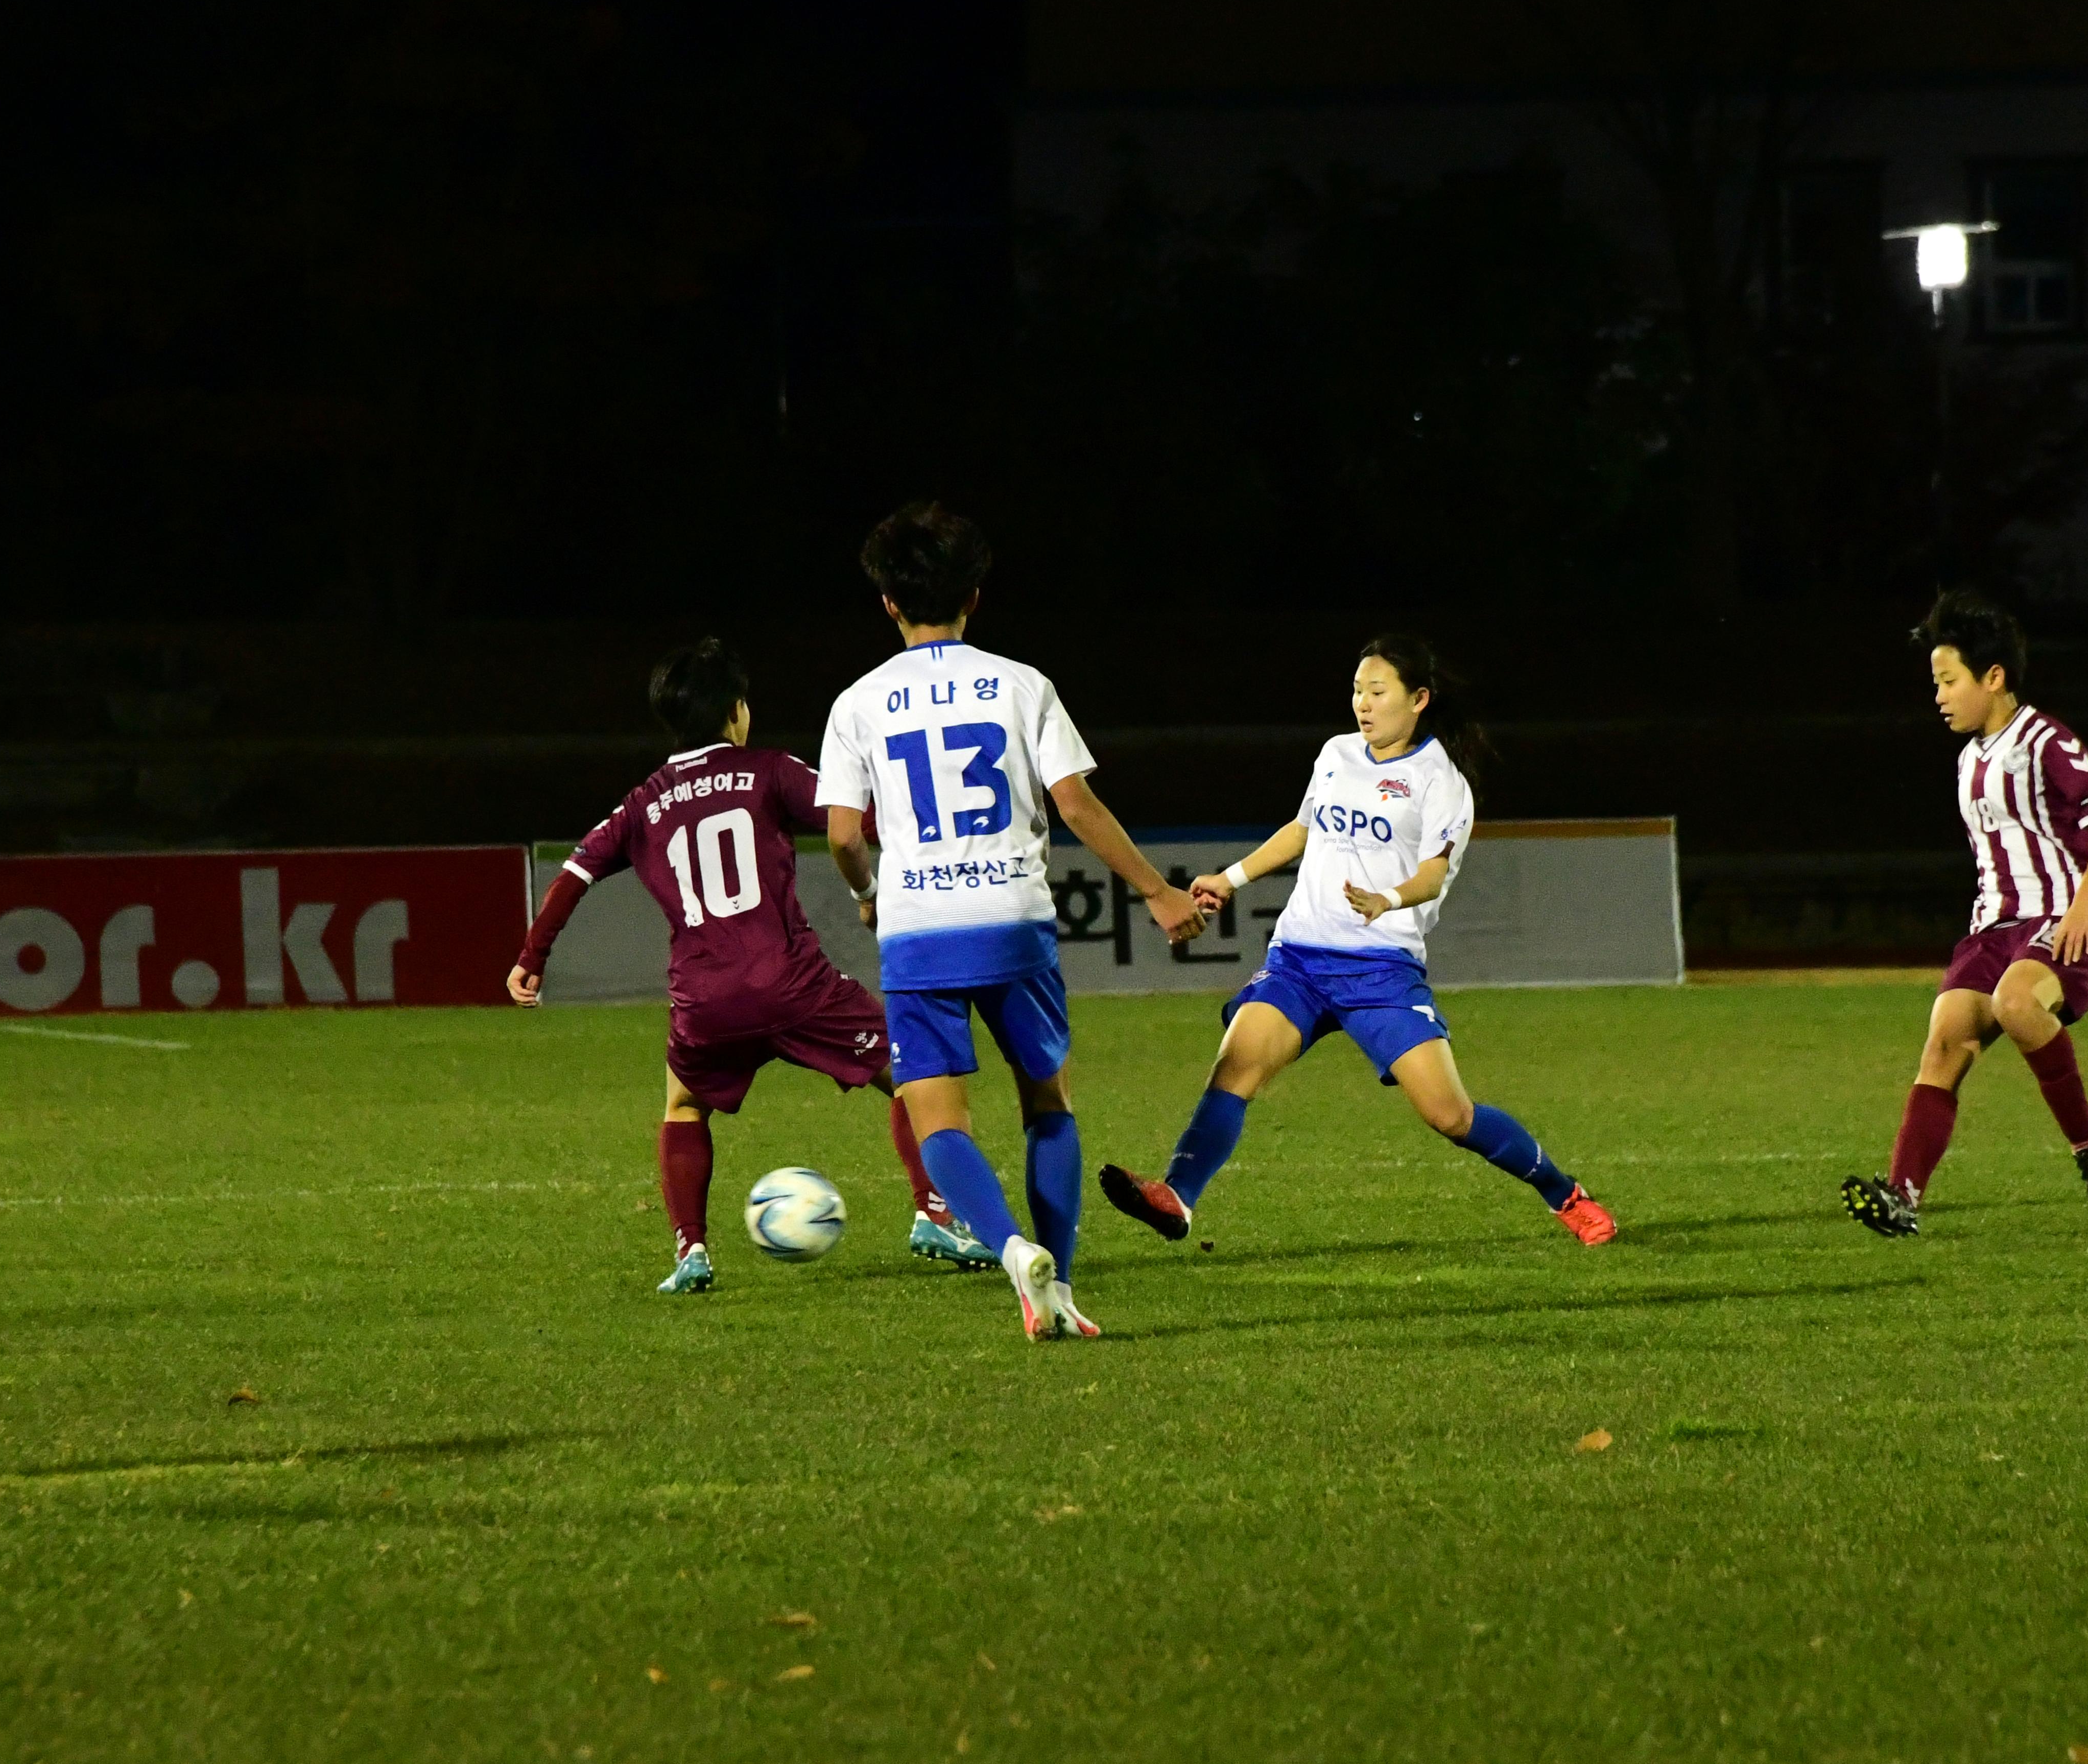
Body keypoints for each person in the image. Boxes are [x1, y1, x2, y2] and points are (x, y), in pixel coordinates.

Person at [818, 502, 1206, 1341]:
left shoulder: (858, 704)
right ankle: (1058, 1284)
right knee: (1047, 1103)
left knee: (937, 1116)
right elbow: (1075, 803)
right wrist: (1154, 889)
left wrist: (866, 892)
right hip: (1014, 918)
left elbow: (845, 834)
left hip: (918, 925)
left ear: (887, 600)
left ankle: (1006, 1251)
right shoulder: (1023, 684)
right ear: (976, 595)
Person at [1097, 635, 1619, 1248]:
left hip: (1381, 971)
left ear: (1419, 699)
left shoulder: (1440, 782)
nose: (1363, 705)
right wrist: (1232, 878)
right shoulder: (1337, 754)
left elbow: (1432, 874)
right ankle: (1177, 1196)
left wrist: (1387, 900)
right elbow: (1302, 829)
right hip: (1299, 960)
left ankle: (1565, 1194)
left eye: (1378, 692)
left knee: (1451, 1116)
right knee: (1234, 1069)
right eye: (1356, 691)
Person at [508, 638, 992, 1296]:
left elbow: (574, 873)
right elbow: (858, 820)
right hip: (793, 984)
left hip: (705, 999)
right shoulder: (768, 770)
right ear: (736, 711)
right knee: (912, 1076)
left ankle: (692, 1251)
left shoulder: (643, 803)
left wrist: (533, 958)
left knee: (683, 1106)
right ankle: (934, 1213)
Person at [1843, 591, 2088, 1237]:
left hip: (2062, 918)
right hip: (1994, 930)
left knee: (2018, 1004)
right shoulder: (1969, 759)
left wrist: (2086, 905)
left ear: (1993, 678)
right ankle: (1903, 1197)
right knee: (1945, 1036)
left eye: (1949, 680)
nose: (1939, 695)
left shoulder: (2047, 739)